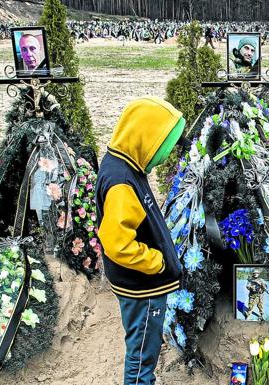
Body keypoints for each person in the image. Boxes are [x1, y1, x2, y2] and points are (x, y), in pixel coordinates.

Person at [96, 97, 187, 385]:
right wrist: (157, 262)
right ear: (146, 138)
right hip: (142, 288)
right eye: (164, 147)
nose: (165, 155)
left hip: (142, 284)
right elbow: (117, 243)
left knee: (144, 343)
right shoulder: (122, 182)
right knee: (142, 352)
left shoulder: (126, 164)